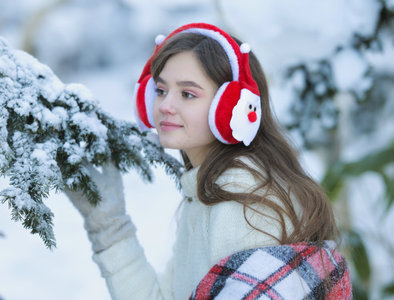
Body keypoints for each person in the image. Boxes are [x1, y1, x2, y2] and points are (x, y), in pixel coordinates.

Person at [65, 23, 352, 299]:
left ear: (233, 109)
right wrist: (108, 224)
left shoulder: (243, 199)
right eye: (161, 90)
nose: (165, 106)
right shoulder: (211, 190)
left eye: (188, 94)